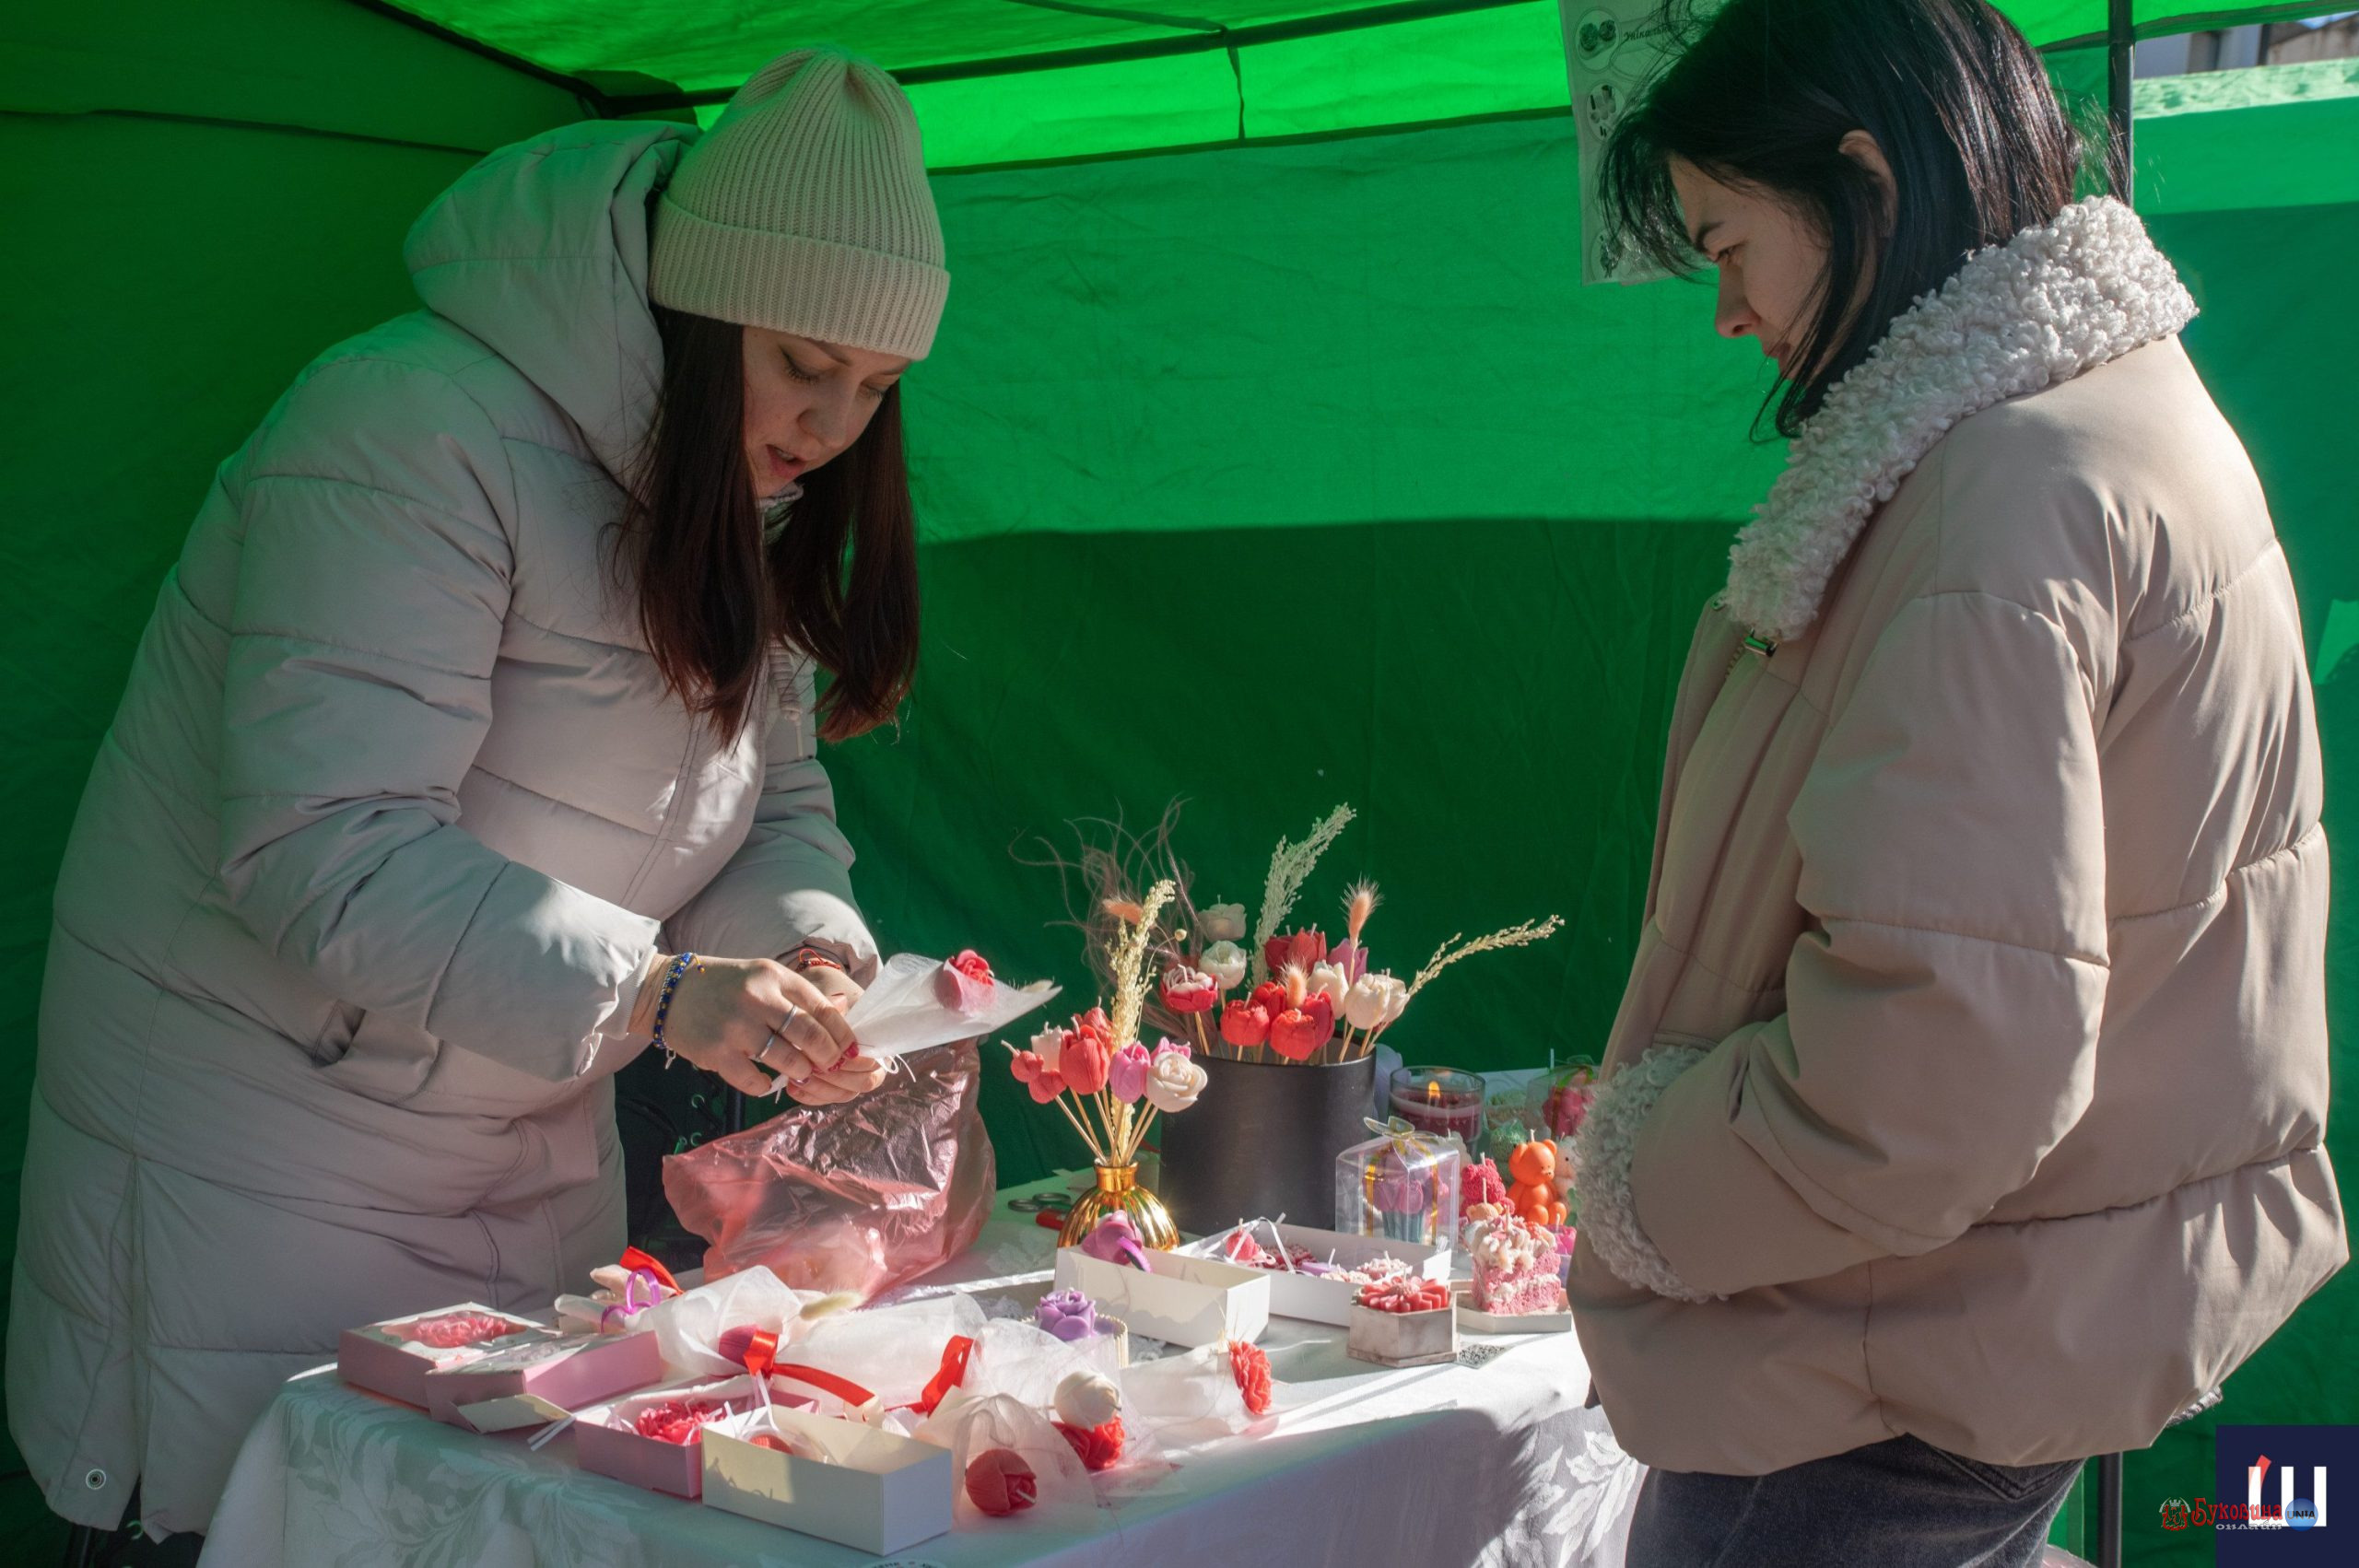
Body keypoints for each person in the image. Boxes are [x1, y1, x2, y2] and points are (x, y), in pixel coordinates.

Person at [8, 45, 946, 1547]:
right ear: (699, 305)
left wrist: (809, 948)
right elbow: (324, 846)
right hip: (250, 1168)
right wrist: (662, 989)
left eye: (878, 389)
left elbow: (770, 805)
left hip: (523, 1164)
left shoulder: (744, 499)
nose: (832, 427)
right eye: (801, 364)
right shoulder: (403, 429)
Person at [1567, 3, 2346, 1563]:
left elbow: (1933, 1072)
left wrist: (1640, 1172)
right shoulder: (2121, 421)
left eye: (1729, 242)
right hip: (1984, 1332)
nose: (1726, 309)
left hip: (1867, 1387)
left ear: (1861, 171)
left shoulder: (2003, 491)